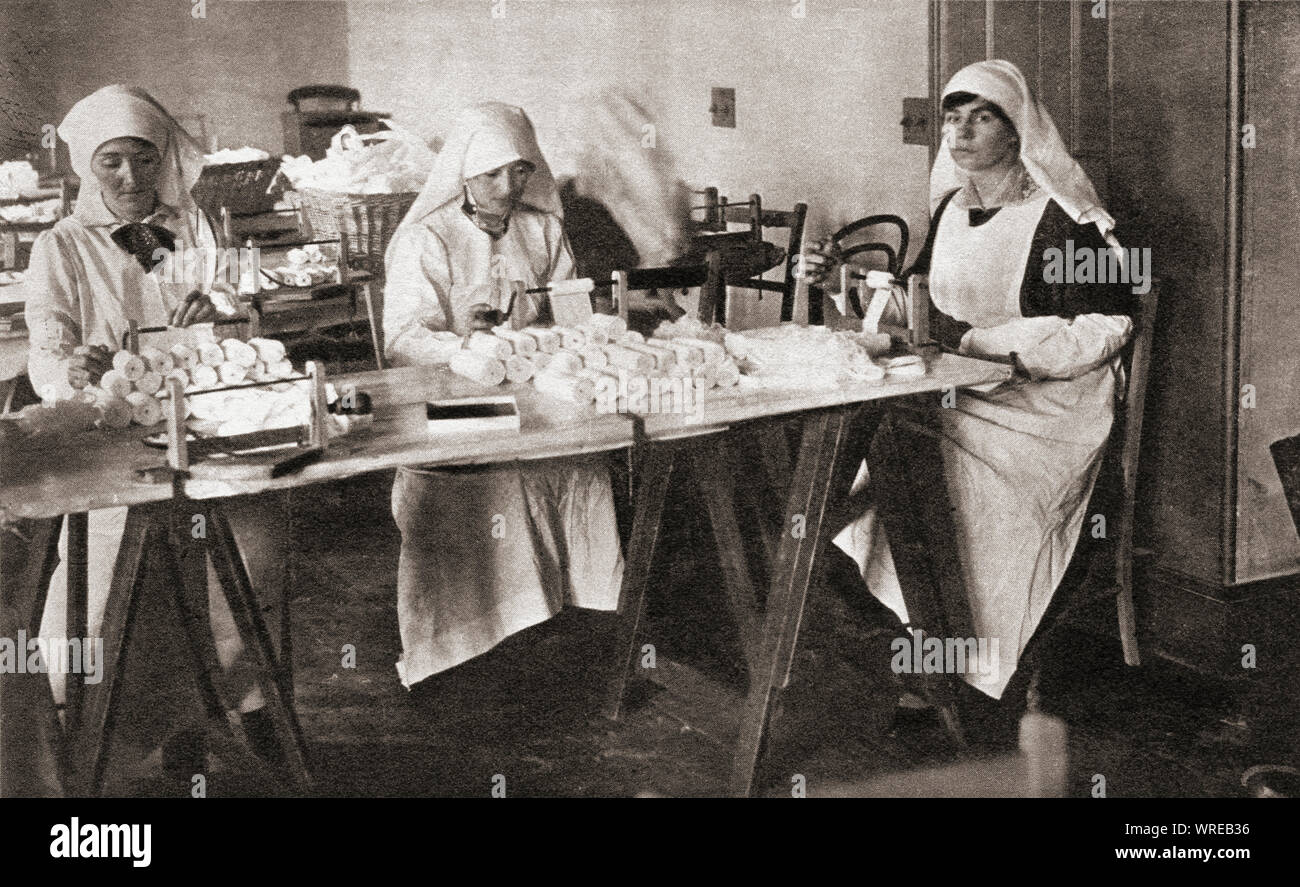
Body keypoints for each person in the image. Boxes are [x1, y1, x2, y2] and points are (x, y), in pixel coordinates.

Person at [806, 60, 1139, 714]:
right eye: (951, 118)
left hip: (1045, 410)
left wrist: (984, 342)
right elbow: (917, 305)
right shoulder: (954, 209)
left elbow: (1106, 326)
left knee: (956, 484)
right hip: (963, 393)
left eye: (979, 116)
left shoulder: (1063, 222)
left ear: (1017, 131)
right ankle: (934, 642)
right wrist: (838, 283)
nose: (959, 131)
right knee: (891, 462)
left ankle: (978, 669)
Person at [22, 85, 288, 783]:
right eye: (112, 163)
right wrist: (74, 367)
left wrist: (224, 310)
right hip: (115, 449)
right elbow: (46, 348)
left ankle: (253, 710)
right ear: (86, 164)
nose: (131, 180)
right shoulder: (62, 247)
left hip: (207, 433)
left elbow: (248, 330)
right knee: (108, 594)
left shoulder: (196, 231)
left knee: (248, 560)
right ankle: (86, 734)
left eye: (143, 160)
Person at [383, 102, 624, 689]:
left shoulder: (541, 228)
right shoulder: (427, 237)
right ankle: (462, 639)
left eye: (518, 171)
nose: (506, 186)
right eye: (490, 174)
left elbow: (567, 309)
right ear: (463, 172)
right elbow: (402, 338)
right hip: (449, 398)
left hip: (533, 392)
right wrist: (463, 340)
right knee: (483, 476)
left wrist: (574, 325)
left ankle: (571, 612)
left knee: (582, 459)